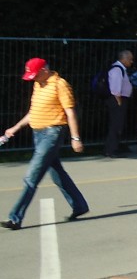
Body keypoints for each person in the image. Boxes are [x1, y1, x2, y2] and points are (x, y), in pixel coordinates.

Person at [2, 58, 89, 230]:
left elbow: (70, 112)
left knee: (31, 177)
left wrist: (75, 138)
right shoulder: (38, 84)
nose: (32, 79)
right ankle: (80, 206)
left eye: (34, 75)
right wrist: (16, 127)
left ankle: (15, 218)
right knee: (57, 173)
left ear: (45, 70)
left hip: (52, 133)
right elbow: (33, 112)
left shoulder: (60, 84)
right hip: (38, 134)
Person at [103, 49, 134, 158]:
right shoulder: (117, 69)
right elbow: (115, 89)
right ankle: (111, 149)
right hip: (117, 100)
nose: (131, 62)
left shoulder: (121, 69)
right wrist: (119, 102)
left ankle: (115, 147)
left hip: (119, 99)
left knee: (118, 125)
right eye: (130, 59)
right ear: (124, 58)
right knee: (115, 125)